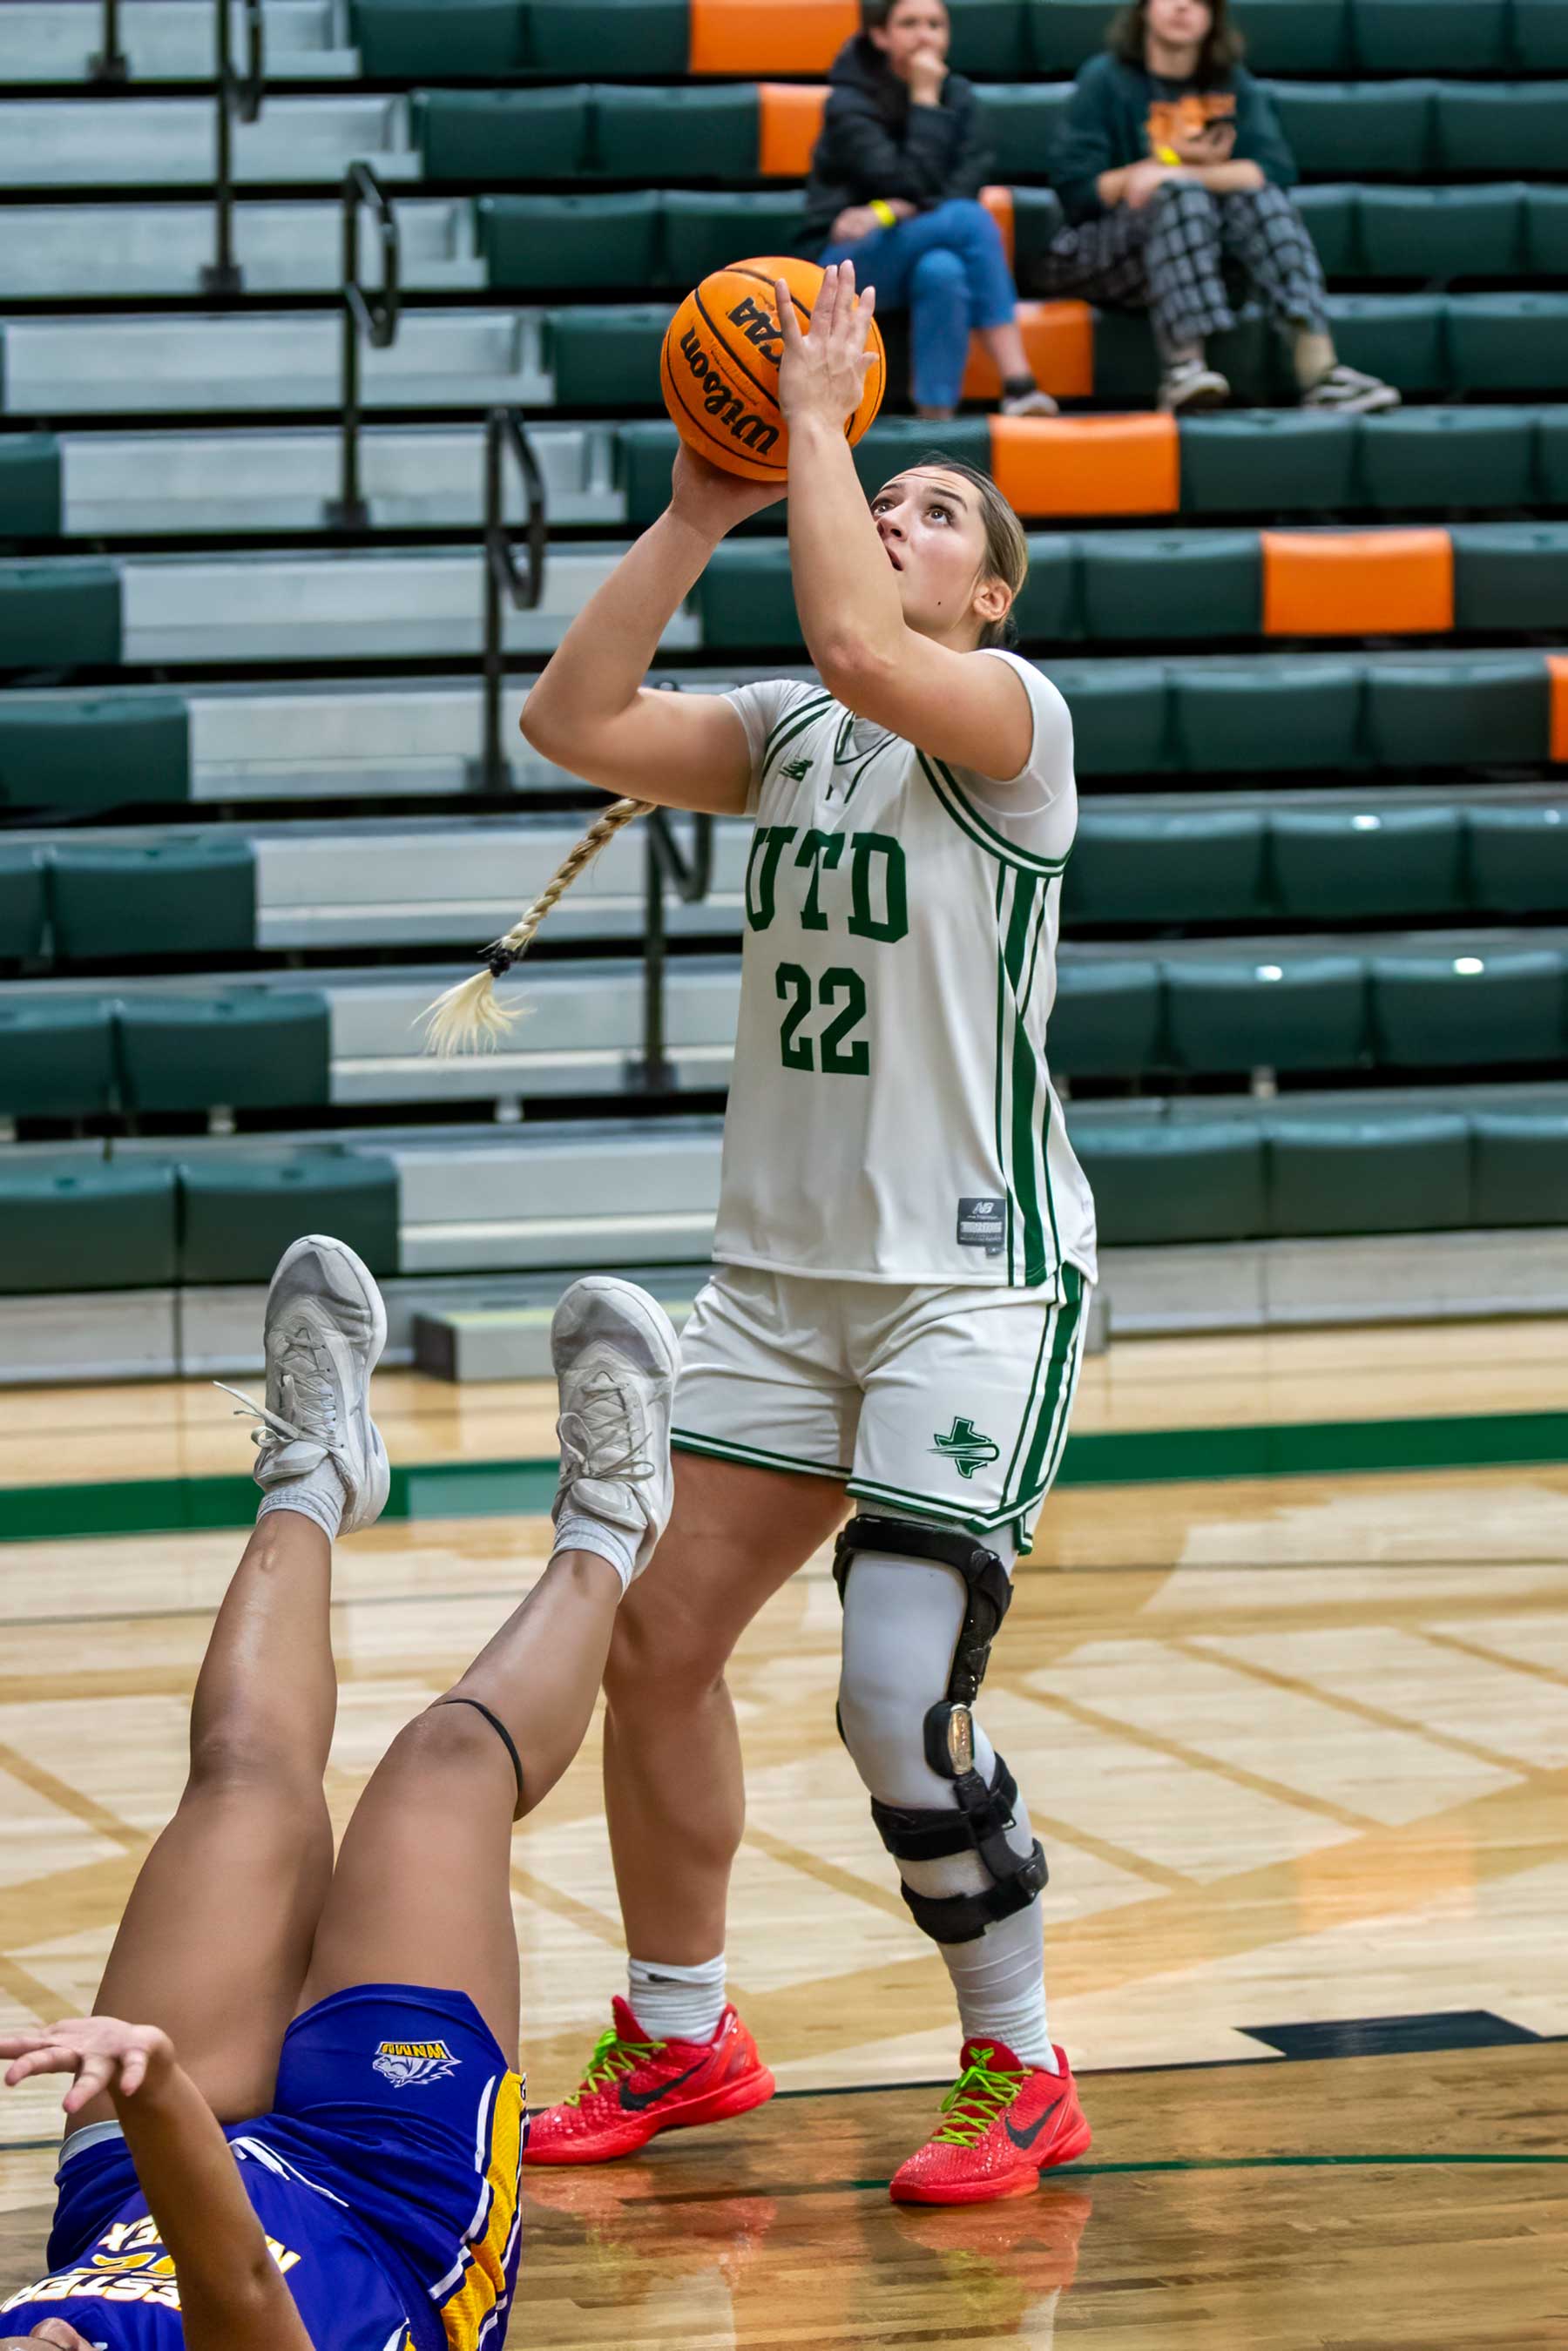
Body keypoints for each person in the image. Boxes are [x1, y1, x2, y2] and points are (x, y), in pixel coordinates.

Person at [500, 260, 1098, 2206]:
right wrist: (700, 505)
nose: (903, 513)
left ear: (988, 596)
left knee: (891, 1691)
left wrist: (828, 422)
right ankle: (684, 2029)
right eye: (888, 493)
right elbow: (570, 715)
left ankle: (1021, 2058)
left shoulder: (1006, 718)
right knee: (655, 1641)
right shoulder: (788, 730)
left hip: (968, 1280)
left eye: (942, 511)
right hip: (778, 1285)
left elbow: (857, 642)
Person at [0, 1235, 684, 2348]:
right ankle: (613, 1525)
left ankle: (312, 1475)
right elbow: (239, 2286)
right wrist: (157, 2086)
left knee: (242, 1774)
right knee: (443, 1762)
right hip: (387, 2204)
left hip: (125, 2202)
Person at [1041, 0, 1401, 415]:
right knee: (1182, 197)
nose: (1183, 7)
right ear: (1143, 9)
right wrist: (1144, 176)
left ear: (1213, 17)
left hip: (1206, 261)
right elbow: (1076, 189)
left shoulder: (1231, 82)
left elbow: (1270, 172)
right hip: (1104, 257)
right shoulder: (1105, 78)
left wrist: (1177, 172)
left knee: (1258, 200)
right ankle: (1183, 367)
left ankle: (1320, 371)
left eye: (1199, 2)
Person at [801, 0, 1059, 421]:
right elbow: (902, 183)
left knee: (943, 270)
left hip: (917, 243)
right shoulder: (848, 100)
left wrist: (888, 211)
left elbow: (963, 186)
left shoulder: (962, 96)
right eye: (910, 24)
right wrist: (924, 100)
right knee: (972, 221)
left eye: (935, 25)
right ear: (880, 35)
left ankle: (935, 420)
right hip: (841, 263)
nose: (925, 35)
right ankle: (1018, 382)